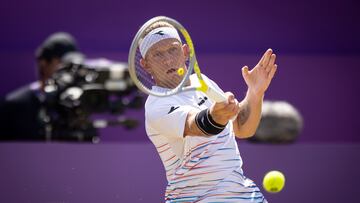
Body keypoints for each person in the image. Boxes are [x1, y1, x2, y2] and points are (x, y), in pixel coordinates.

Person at [140, 22, 277, 202]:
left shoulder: (202, 82)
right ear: (146, 65)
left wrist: (255, 93)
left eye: (172, 50)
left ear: (185, 52)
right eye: (157, 54)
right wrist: (215, 114)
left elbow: (242, 128)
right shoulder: (156, 107)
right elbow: (198, 125)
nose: (167, 60)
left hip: (245, 195)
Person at [0, 32, 84, 140]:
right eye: (62, 63)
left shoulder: (76, 106)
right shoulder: (13, 106)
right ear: (43, 63)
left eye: (72, 64)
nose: (69, 69)